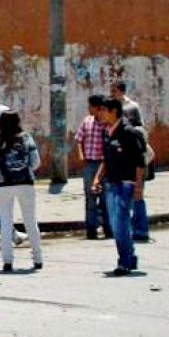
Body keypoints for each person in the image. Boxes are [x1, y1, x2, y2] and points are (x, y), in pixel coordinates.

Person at [92, 97, 146, 276]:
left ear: (113, 111)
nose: (99, 114)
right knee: (117, 224)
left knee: (120, 223)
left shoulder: (128, 132)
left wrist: (139, 188)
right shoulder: (106, 132)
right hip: (111, 182)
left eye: (102, 110)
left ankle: (124, 261)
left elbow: (140, 162)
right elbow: (106, 159)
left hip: (126, 184)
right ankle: (129, 257)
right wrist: (97, 178)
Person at [0, 111, 44, 272]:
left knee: (5, 223)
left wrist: (3, 173)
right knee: (30, 222)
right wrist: (25, 170)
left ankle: (7, 261)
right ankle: (38, 259)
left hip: (3, 184)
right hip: (25, 183)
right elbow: (36, 162)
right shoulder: (26, 138)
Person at [110, 80, 151, 242]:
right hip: (121, 158)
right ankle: (127, 230)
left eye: (114, 91)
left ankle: (141, 230)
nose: (111, 93)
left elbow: (140, 130)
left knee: (137, 195)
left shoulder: (131, 107)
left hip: (133, 155)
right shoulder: (112, 107)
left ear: (120, 91)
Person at [76, 95, 114, 240]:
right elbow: (79, 139)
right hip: (90, 164)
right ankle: (91, 230)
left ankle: (108, 230)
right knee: (90, 198)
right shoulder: (87, 122)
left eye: (90, 106)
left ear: (97, 108)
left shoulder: (107, 124)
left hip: (104, 165)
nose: (88, 109)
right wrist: (81, 154)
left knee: (106, 199)